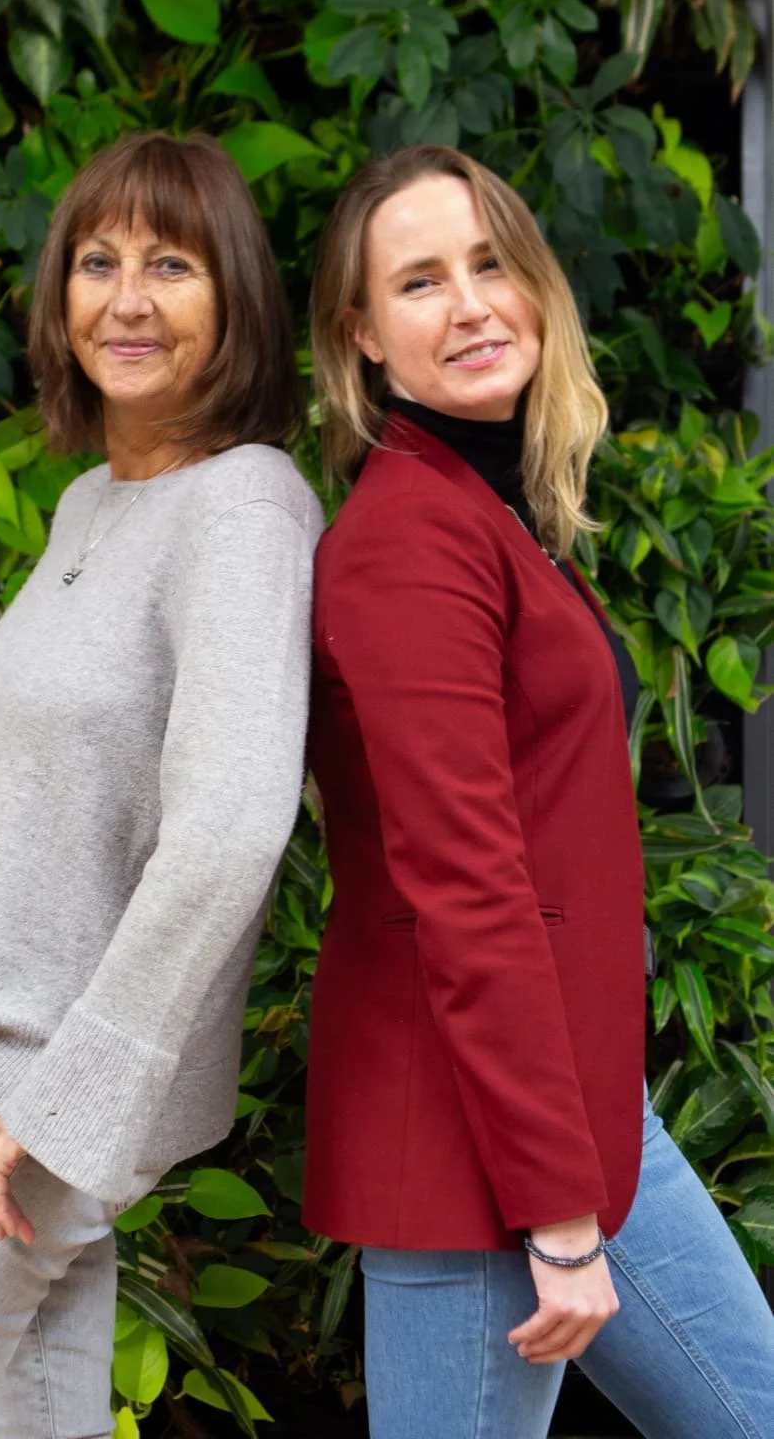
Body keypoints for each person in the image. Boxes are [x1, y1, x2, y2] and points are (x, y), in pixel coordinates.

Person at [0, 131, 323, 1438]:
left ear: (237, 301)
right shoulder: (92, 501)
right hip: (10, 1075)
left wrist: (66, 1114)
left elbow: (229, 831)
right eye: (97, 261)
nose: (126, 299)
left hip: (42, 1087)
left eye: (171, 265)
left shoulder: (245, 510)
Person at [302, 143, 774, 1439]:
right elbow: (461, 884)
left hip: (572, 1115)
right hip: (475, 1151)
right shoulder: (404, 543)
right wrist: (556, 1214)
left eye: (488, 262)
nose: (468, 304)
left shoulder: (480, 512)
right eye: (417, 281)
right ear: (361, 339)